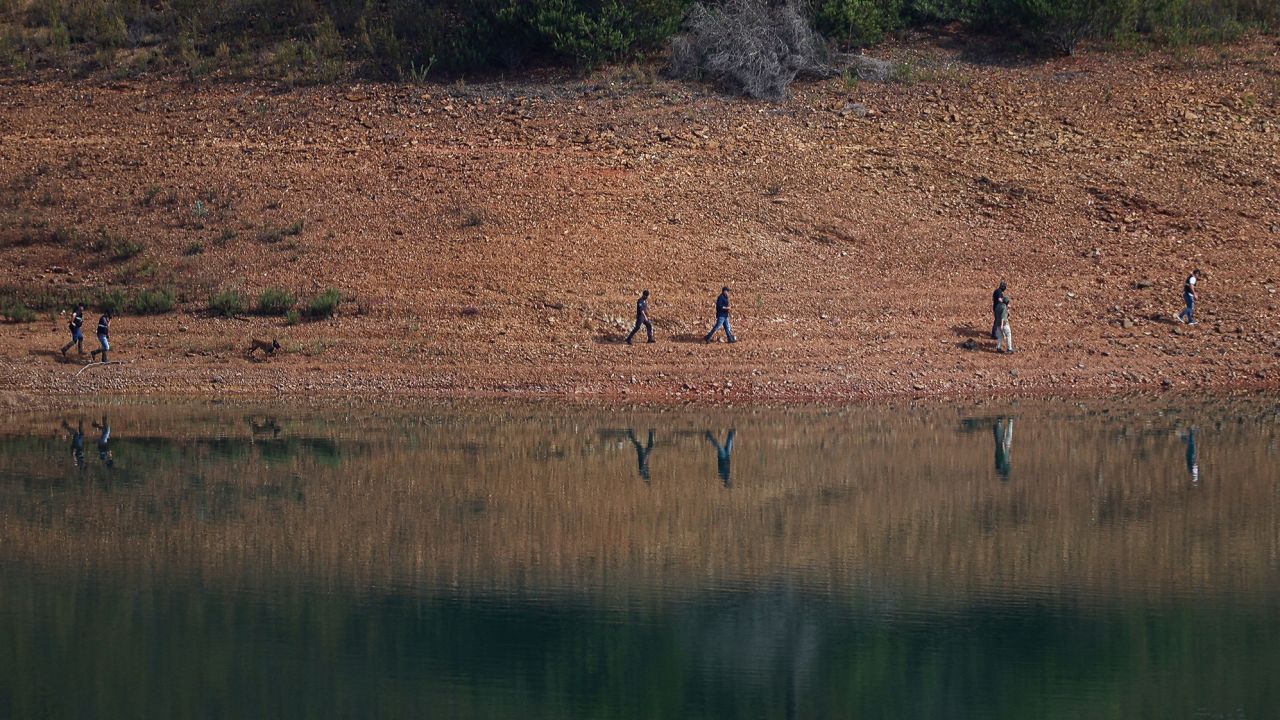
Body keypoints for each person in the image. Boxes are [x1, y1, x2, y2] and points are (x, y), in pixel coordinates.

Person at [994, 281, 1013, 353]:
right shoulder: (1004, 308)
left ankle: (998, 348)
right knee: (1008, 334)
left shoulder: (998, 306)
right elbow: (1003, 317)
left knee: (1000, 336)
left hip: (997, 324)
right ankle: (1009, 349)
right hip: (1003, 324)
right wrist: (1002, 325)